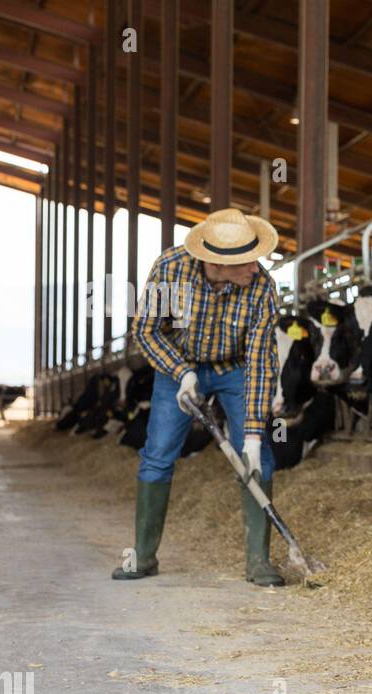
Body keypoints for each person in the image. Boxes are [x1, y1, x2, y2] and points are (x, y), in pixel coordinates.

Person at [111, 207, 283, 588]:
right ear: (218, 263)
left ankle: (258, 561)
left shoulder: (262, 288)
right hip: (179, 368)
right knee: (157, 455)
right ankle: (144, 556)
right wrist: (182, 373)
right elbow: (148, 332)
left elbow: (260, 362)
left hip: (236, 369)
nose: (255, 269)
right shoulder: (172, 271)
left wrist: (253, 437)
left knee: (258, 457)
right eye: (246, 263)